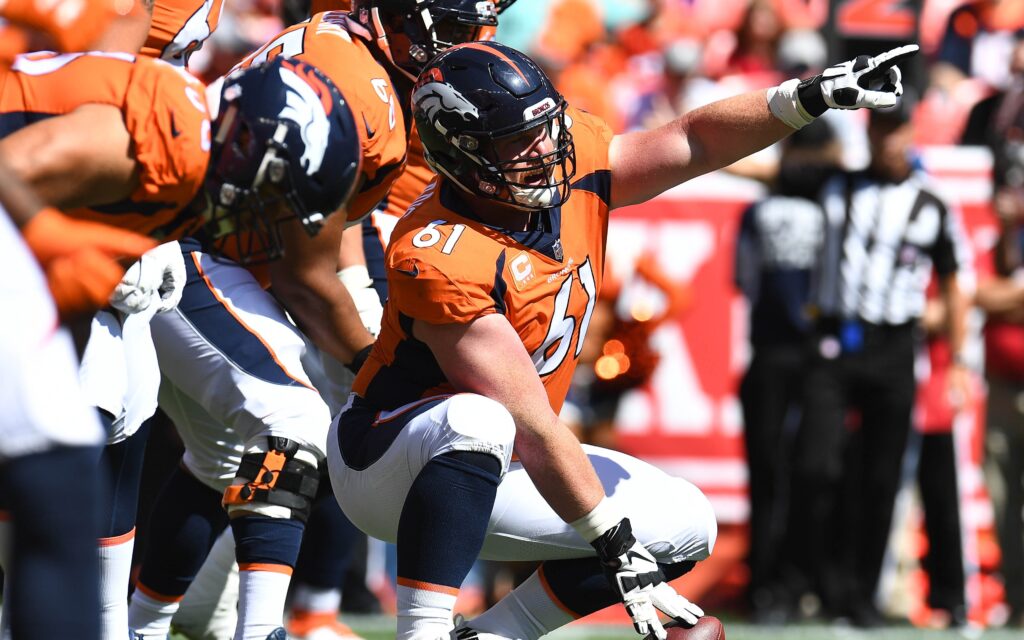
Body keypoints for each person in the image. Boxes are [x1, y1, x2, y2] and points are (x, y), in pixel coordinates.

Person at [327, 39, 918, 639]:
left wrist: (803, 98)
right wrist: (612, 541)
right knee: (481, 422)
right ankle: (421, 632)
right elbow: (527, 419)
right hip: (386, 460)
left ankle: (494, 635)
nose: (543, 149)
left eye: (545, 127)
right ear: (460, 152)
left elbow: (695, 141)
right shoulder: (439, 252)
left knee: (687, 524)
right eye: (516, 140)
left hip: (504, 456)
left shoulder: (573, 161)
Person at [126, 4, 506, 639]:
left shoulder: (359, 52)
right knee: (294, 421)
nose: (476, 42)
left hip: (219, 249)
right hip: (180, 246)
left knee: (222, 462)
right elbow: (305, 277)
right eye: (461, 27)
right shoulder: (360, 91)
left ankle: (143, 627)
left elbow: (330, 227)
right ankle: (260, 630)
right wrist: (372, 359)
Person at [0, 51, 362, 640]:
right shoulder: (173, 130)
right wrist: (55, 243)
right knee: (58, 457)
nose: (261, 213)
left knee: (109, 419)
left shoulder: (196, 158)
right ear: (247, 140)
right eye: (270, 191)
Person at [783, 100, 973, 627]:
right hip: (836, 343)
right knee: (816, 464)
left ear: (911, 131)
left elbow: (957, 279)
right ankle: (810, 580)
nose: (888, 140)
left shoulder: (933, 201)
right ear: (869, 130)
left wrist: (956, 357)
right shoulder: (836, 184)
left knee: (882, 475)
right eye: (880, 128)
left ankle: (860, 596)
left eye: (897, 129)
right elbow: (762, 168)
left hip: (894, 348)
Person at [733, 118, 840, 623]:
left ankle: (770, 585)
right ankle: (788, 583)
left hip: (777, 352)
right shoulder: (833, 204)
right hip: (812, 353)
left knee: (776, 471)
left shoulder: (761, 210)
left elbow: (745, 280)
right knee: (798, 471)